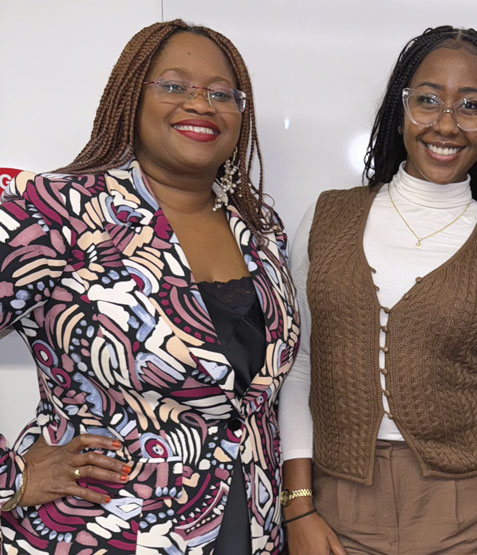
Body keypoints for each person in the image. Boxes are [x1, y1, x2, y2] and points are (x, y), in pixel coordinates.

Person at [0, 20, 299, 554]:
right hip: (100, 532)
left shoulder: (262, 229)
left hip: (249, 526)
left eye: (220, 93)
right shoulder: (52, 211)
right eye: (174, 86)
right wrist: (11, 478)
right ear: (130, 98)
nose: (200, 104)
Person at [279, 25, 477, 555]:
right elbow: (300, 363)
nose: (445, 124)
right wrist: (299, 506)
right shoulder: (327, 218)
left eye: (470, 106)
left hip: (464, 509)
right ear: (400, 109)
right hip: (335, 504)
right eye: (427, 100)